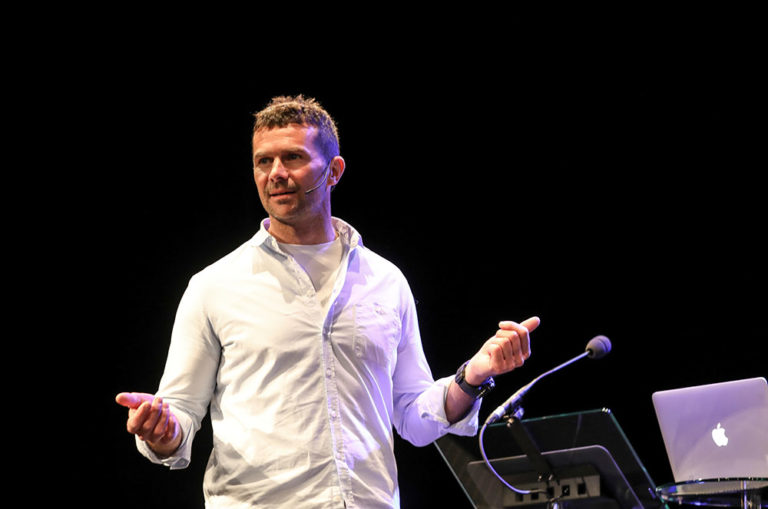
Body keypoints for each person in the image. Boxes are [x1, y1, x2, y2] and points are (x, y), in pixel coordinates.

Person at [116, 95, 540, 508]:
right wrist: (163, 430)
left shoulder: (385, 280)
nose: (276, 173)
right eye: (263, 161)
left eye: (293, 158)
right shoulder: (215, 285)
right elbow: (180, 411)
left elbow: (414, 417)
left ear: (334, 170)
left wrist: (473, 375)